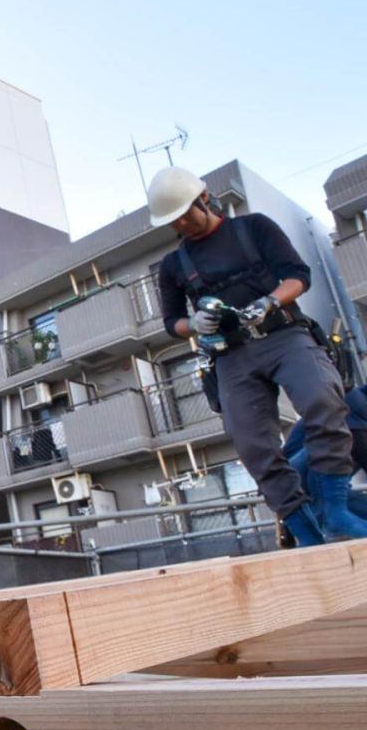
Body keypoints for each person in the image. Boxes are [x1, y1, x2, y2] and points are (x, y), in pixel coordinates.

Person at [151, 166, 367, 547]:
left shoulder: (253, 228)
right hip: (230, 356)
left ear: (205, 198)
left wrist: (268, 302)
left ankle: (336, 513)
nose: (184, 223)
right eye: (175, 221)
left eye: (188, 212)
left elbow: (299, 275)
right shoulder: (173, 266)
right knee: (254, 446)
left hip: (283, 333)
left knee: (323, 401)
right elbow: (171, 321)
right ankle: (305, 535)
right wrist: (195, 324)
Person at [283, 384, 367, 530]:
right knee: (342, 439)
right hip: (294, 474)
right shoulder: (353, 399)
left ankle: (324, 519)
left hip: (318, 477)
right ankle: (324, 518)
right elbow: (362, 449)